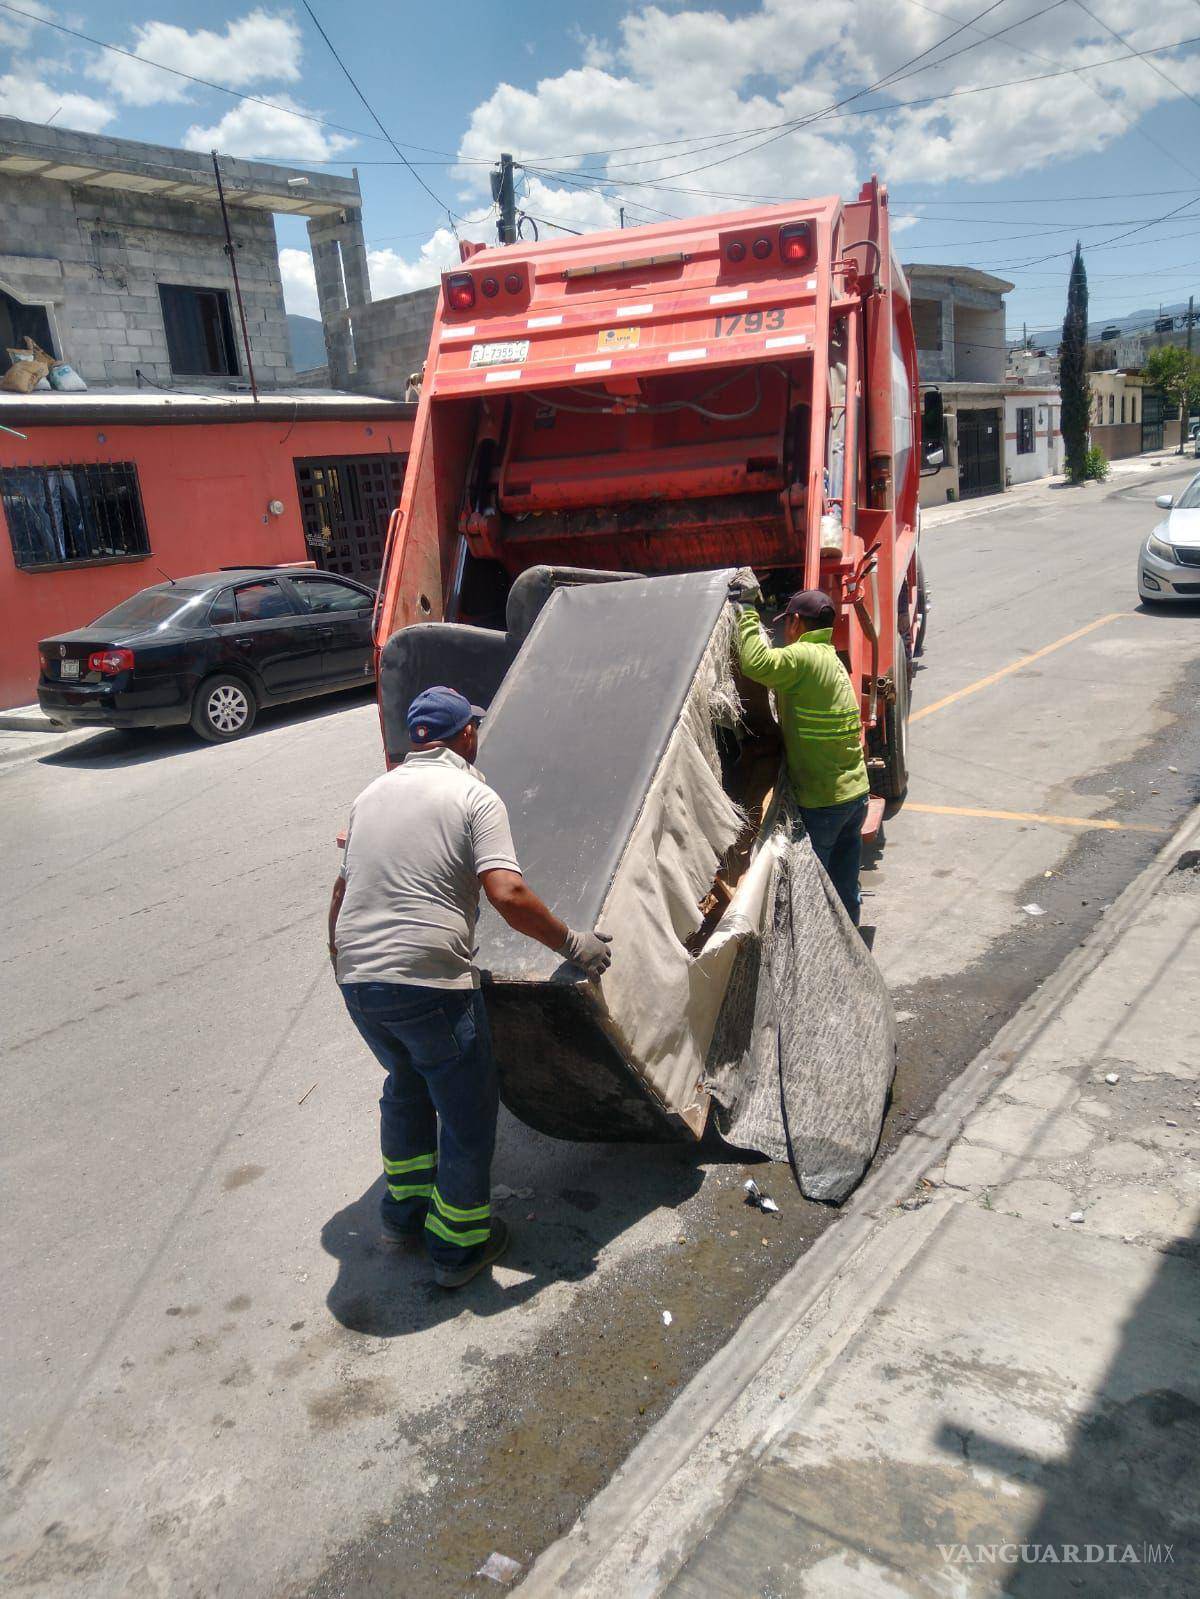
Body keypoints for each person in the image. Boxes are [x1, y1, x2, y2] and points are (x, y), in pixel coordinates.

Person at [328, 686, 612, 1288]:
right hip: (427, 982)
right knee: (466, 1111)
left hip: (358, 978)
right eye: (473, 730)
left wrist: (347, 964)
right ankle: (459, 1246)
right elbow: (506, 893)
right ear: (464, 736)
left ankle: (401, 1217)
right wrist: (572, 943)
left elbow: (340, 892)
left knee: (406, 1084)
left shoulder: (369, 795)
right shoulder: (472, 795)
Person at [735, 589, 870, 925]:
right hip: (854, 796)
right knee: (843, 887)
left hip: (823, 801)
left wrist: (747, 610)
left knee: (812, 891)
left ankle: (818, 962)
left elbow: (756, 663)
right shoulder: (830, 658)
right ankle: (850, 954)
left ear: (796, 622)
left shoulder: (803, 658)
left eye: (786, 623)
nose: (784, 632)